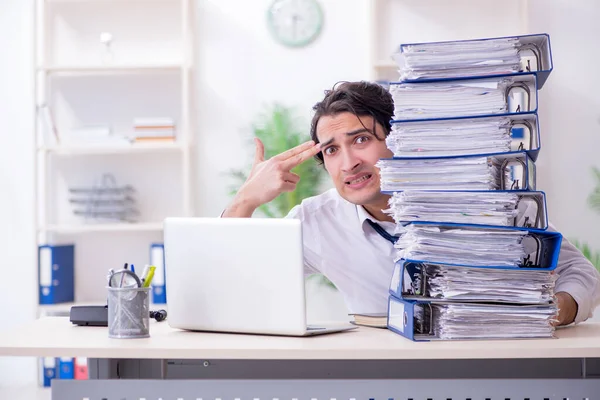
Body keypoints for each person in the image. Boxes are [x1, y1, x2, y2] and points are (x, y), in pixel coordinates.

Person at [222, 80, 600, 326]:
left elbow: (579, 272)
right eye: (332, 150)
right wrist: (245, 200)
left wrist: (556, 310)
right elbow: (239, 282)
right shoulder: (317, 220)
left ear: (399, 140)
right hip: (380, 373)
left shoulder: (479, 200)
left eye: (360, 141)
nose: (348, 163)